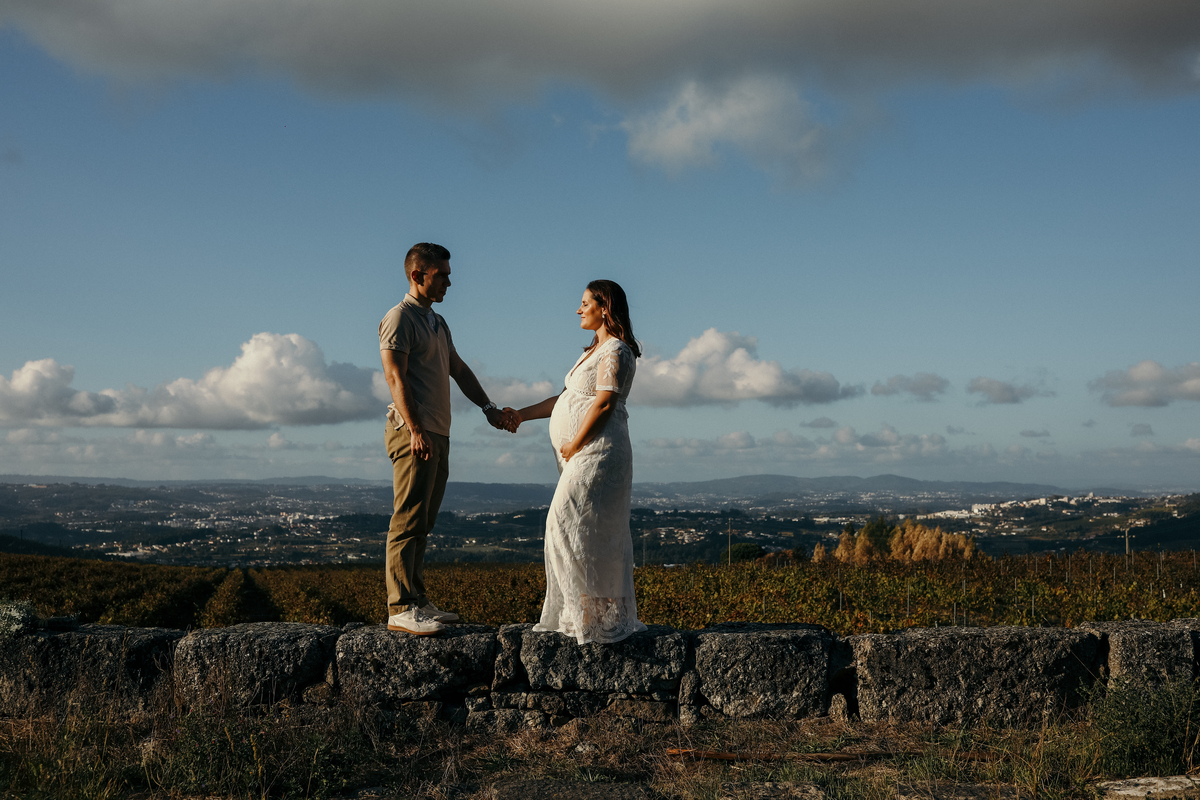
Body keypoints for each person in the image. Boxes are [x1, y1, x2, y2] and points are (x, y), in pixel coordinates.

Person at [380, 242, 516, 635]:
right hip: (414, 433)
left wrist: (488, 407)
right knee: (407, 519)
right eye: (443, 276)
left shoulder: (437, 323)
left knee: (424, 520)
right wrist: (416, 429)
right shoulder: (399, 318)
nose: (449, 284)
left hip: (437, 431)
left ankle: (417, 599)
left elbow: (457, 368)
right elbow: (395, 377)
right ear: (417, 275)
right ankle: (401, 607)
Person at [508, 280, 647, 644]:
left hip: (599, 452)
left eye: (585, 302)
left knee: (565, 526)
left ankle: (588, 619)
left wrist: (575, 443)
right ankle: (589, 618)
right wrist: (521, 415)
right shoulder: (594, 351)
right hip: (583, 452)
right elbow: (566, 398)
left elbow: (604, 402)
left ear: (606, 307)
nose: (578, 309)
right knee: (585, 531)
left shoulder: (615, 349)